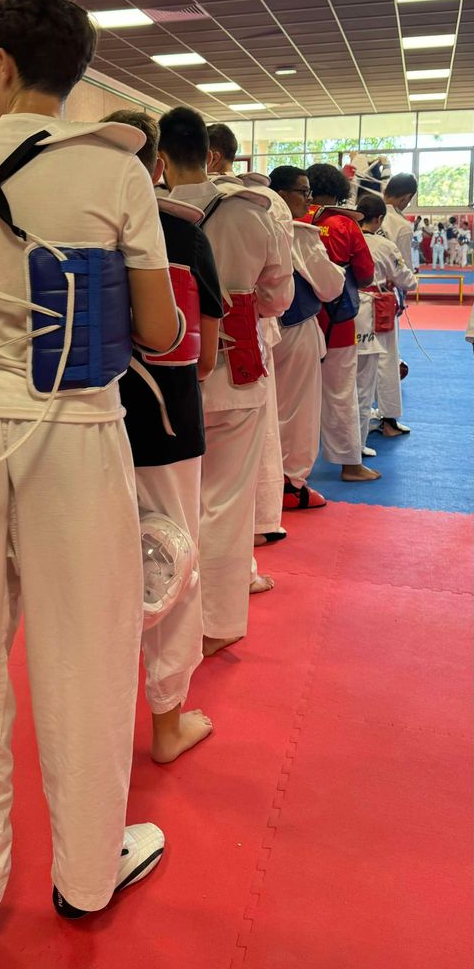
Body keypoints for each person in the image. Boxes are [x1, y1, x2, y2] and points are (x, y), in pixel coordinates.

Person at [0, 0, 180, 947]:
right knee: (88, 650)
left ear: (2, 64)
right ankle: (88, 873)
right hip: (79, 427)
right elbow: (158, 330)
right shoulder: (117, 170)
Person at [105, 110, 222, 763]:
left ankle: (95, 717)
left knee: (93, 568)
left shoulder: (69, 226)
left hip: (83, 427)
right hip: (167, 425)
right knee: (174, 562)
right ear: (157, 165)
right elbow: (204, 355)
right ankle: (168, 725)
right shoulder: (179, 230)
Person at [157, 107, 293, 657]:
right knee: (227, 503)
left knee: (168, 503)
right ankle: (217, 623)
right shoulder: (253, 213)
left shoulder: (146, 212)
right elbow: (278, 299)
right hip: (238, 372)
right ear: (211, 154)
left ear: (161, 158)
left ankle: (164, 616)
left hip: (166, 372)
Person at [205, 125, 291, 577]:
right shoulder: (259, 208)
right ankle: (242, 564)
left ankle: (175, 579)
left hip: (170, 354)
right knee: (234, 480)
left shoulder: (155, 204)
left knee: (175, 485)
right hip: (241, 348)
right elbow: (278, 297)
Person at [268, 167, 345, 509]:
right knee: (298, 410)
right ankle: (291, 484)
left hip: (253, 329)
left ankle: (266, 485)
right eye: (303, 191)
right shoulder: (298, 233)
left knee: (264, 410)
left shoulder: (243, 220)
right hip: (294, 326)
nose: (309, 199)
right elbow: (331, 286)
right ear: (282, 194)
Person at [306, 165, 377, 483]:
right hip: (337, 321)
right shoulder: (345, 224)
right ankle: (350, 464)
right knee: (340, 391)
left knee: (290, 396)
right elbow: (365, 275)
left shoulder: (293, 217)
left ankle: (288, 473)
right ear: (339, 190)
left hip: (293, 321)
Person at [354, 194, 416, 456]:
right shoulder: (384, 245)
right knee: (384, 363)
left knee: (348, 374)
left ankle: (358, 430)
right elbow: (407, 280)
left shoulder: (347, 239)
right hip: (377, 309)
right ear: (379, 219)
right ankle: (383, 422)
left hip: (345, 311)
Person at [381, 173, 417, 269]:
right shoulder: (402, 226)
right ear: (407, 198)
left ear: (385, 191)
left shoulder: (360, 212)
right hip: (385, 275)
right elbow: (403, 265)